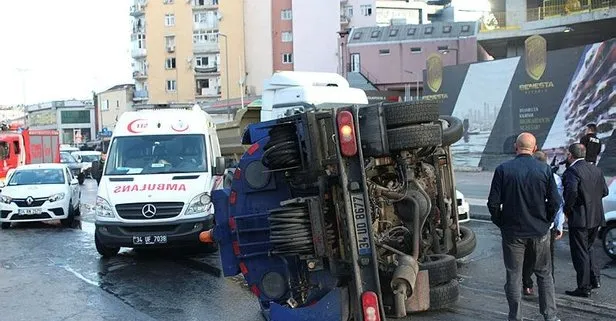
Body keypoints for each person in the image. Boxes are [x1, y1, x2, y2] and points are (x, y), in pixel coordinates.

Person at [487, 132, 560, 321]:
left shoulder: (503, 170)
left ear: (515, 147)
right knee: (544, 274)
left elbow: (493, 204)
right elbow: (555, 201)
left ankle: (515, 317)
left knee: (513, 275)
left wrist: (502, 223)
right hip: (539, 230)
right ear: (534, 148)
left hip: (513, 232)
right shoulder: (544, 170)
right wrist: (546, 221)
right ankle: (550, 316)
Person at [562, 143, 608, 298]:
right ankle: (595, 279)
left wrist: (567, 210)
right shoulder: (596, 169)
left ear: (570, 155)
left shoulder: (572, 171)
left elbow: (572, 192)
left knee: (580, 252)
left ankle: (584, 287)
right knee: (589, 248)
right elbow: (604, 191)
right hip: (596, 216)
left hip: (580, 218)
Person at [522, 151, 565, 296]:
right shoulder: (555, 178)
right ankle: (548, 286)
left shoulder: (524, 175)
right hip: (546, 225)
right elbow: (558, 204)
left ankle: (527, 284)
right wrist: (556, 223)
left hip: (528, 223)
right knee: (547, 259)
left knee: (528, 256)